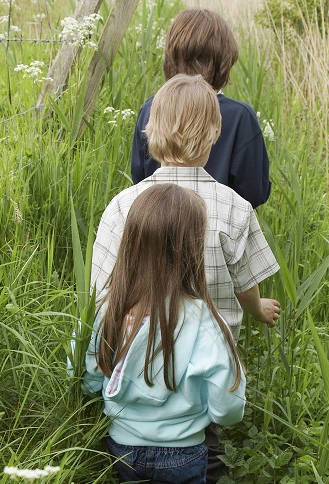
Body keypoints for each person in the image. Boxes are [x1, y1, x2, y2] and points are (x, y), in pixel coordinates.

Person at [92, 74, 281, 482]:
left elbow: (101, 291)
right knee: (202, 451)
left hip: (130, 365)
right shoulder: (235, 207)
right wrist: (258, 308)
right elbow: (246, 281)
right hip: (203, 372)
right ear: (215, 131)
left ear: (150, 129)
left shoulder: (123, 205)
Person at [84, 184, 246, 483]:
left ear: (131, 243)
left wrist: (93, 385)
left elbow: (86, 371)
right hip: (182, 451)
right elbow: (227, 400)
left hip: (121, 446)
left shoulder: (107, 307)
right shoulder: (203, 319)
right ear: (191, 249)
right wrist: (223, 417)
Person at [131, 8, 271, 209]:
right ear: (225, 59)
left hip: (156, 226)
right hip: (221, 226)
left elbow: (140, 178)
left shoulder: (151, 108)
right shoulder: (240, 116)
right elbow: (254, 191)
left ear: (172, 56)